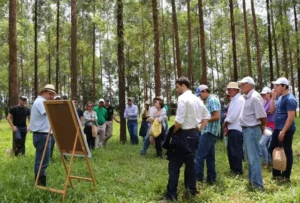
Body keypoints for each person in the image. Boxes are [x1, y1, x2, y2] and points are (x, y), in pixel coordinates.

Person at [161, 77, 210, 201]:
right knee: (190, 164)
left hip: (183, 135)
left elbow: (179, 120)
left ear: (183, 85)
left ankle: (171, 195)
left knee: (174, 165)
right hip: (194, 134)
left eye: (177, 87)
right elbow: (206, 116)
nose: (176, 90)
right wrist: (198, 129)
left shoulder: (183, 98)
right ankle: (191, 191)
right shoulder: (197, 99)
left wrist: (172, 133)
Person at [238, 76, 266, 189]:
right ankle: (252, 181)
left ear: (250, 85)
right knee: (250, 157)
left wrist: (262, 127)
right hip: (247, 130)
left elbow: (263, 116)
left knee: (253, 157)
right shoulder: (246, 97)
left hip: (252, 130)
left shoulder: (254, 97)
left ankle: (258, 185)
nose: (241, 87)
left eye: (243, 85)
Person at [268, 77, 297, 182]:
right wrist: (272, 98)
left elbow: (291, 117)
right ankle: (276, 173)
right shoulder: (280, 98)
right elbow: (272, 110)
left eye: (277, 85)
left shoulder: (290, 99)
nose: (275, 87)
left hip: (286, 129)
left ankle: (286, 176)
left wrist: (283, 131)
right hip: (277, 128)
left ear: (284, 86)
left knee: (286, 151)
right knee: (272, 148)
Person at [30, 84, 56, 186]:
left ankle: (39, 182)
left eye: (53, 94)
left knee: (42, 159)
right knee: (42, 160)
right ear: (43, 92)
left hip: (42, 135)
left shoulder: (41, 101)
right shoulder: (40, 101)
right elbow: (48, 113)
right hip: (42, 135)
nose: (52, 96)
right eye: (50, 94)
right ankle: (40, 183)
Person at [195, 84, 221, 184]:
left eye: (200, 95)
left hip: (209, 132)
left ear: (205, 91)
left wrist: (203, 120)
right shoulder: (207, 101)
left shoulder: (212, 100)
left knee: (199, 156)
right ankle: (211, 178)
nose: (200, 97)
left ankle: (198, 179)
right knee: (210, 157)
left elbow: (217, 116)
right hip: (207, 131)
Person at [222, 82, 245, 175]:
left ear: (236, 90)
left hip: (236, 128)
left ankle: (238, 170)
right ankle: (233, 169)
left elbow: (233, 116)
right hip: (232, 128)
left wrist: (225, 124)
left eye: (230, 89)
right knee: (231, 150)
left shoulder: (239, 100)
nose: (228, 91)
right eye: (228, 89)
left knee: (235, 150)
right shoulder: (234, 100)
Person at [259, 87, 275, 169]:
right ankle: (269, 160)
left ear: (269, 93)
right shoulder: (265, 102)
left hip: (271, 126)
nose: (262, 96)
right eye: (262, 94)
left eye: (264, 94)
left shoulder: (272, 101)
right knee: (267, 145)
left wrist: (264, 113)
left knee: (262, 143)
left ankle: (266, 161)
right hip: (266, 125)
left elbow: (270, 112)